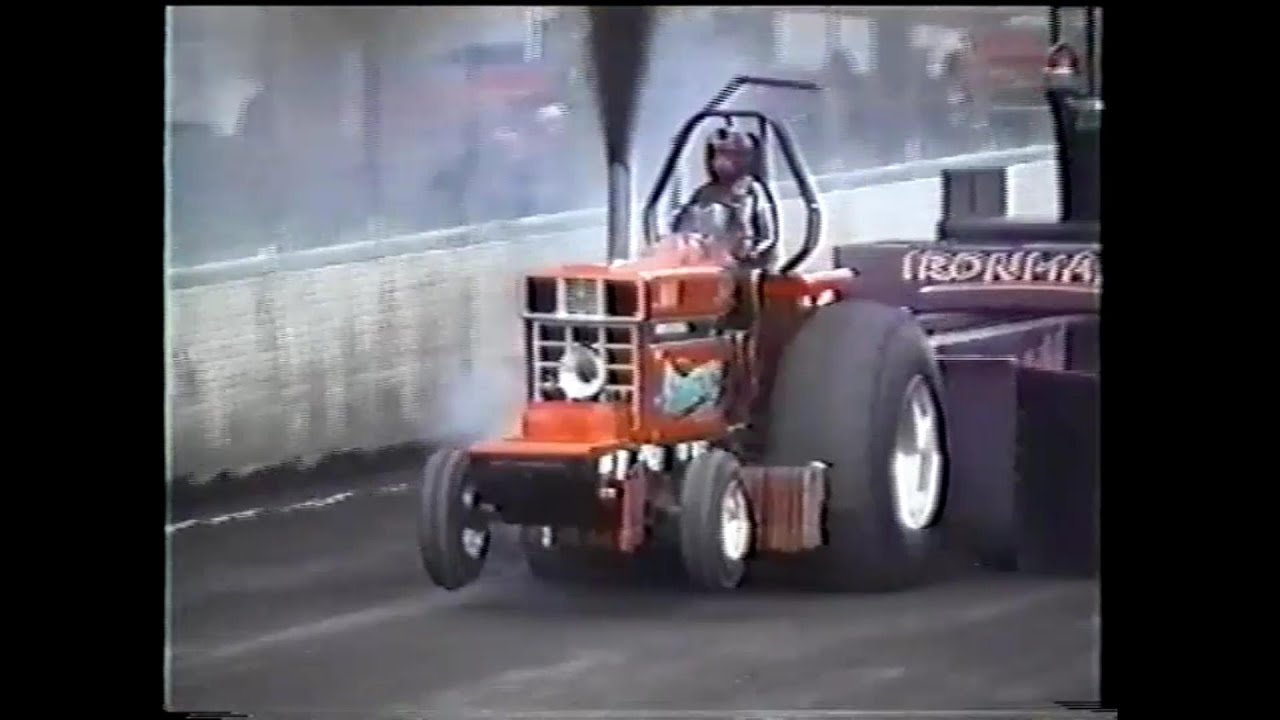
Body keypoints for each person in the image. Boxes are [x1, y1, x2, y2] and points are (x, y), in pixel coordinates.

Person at [670, 128, 777, 271]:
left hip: (746, 271)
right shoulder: (704, 193)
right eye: (722, 153)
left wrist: (751, 251)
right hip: (708, 267)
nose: (728, 160)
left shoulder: (755, 191)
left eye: (736, 155)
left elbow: (767, 236)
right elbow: (685, 229)